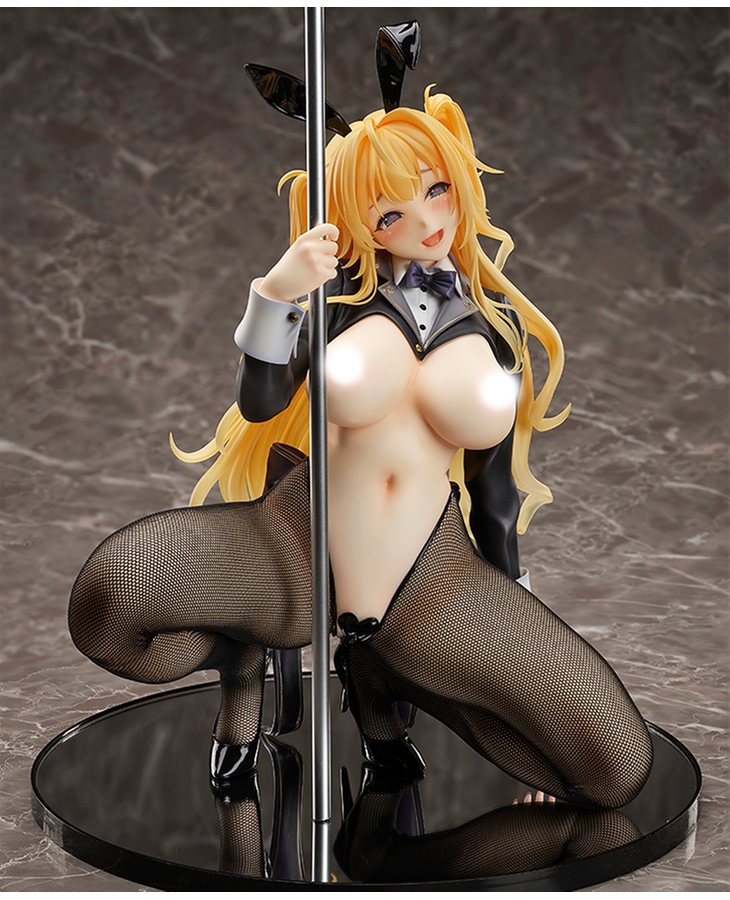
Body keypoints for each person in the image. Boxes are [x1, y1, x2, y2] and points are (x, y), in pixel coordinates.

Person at [68, 88, 652, 808]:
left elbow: (494, 496)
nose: (427, 222)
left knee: (616, 772)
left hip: (433, 585)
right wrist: (276, 294)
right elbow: (261, 403)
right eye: (391, 212)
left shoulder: (494, 328)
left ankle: (373, 668)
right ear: (361, 223)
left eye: (436, 190)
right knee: (107, 603)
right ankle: (240, 660)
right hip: (298, 545)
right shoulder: (336, 303)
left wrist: (512, 611)